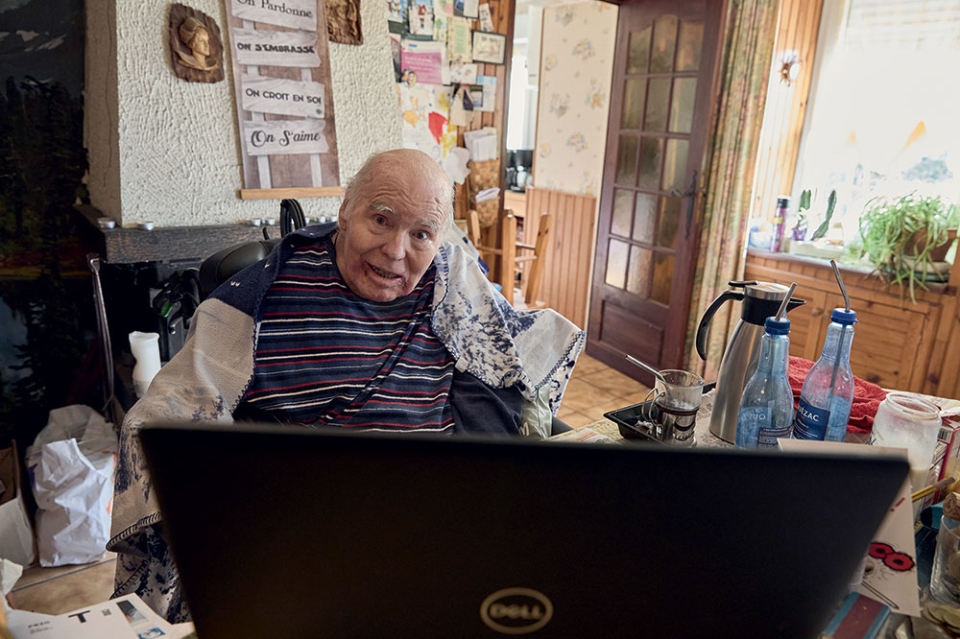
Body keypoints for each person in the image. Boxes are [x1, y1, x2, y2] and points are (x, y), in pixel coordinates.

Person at [107, 148, 586, 622]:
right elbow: (169, 410)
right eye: (380, 220)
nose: (397, 251)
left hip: (441, 523)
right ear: (344, 211)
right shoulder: (263, 300)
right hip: (306, 536)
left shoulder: (453, 289)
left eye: (421, 233)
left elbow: (517, 362)